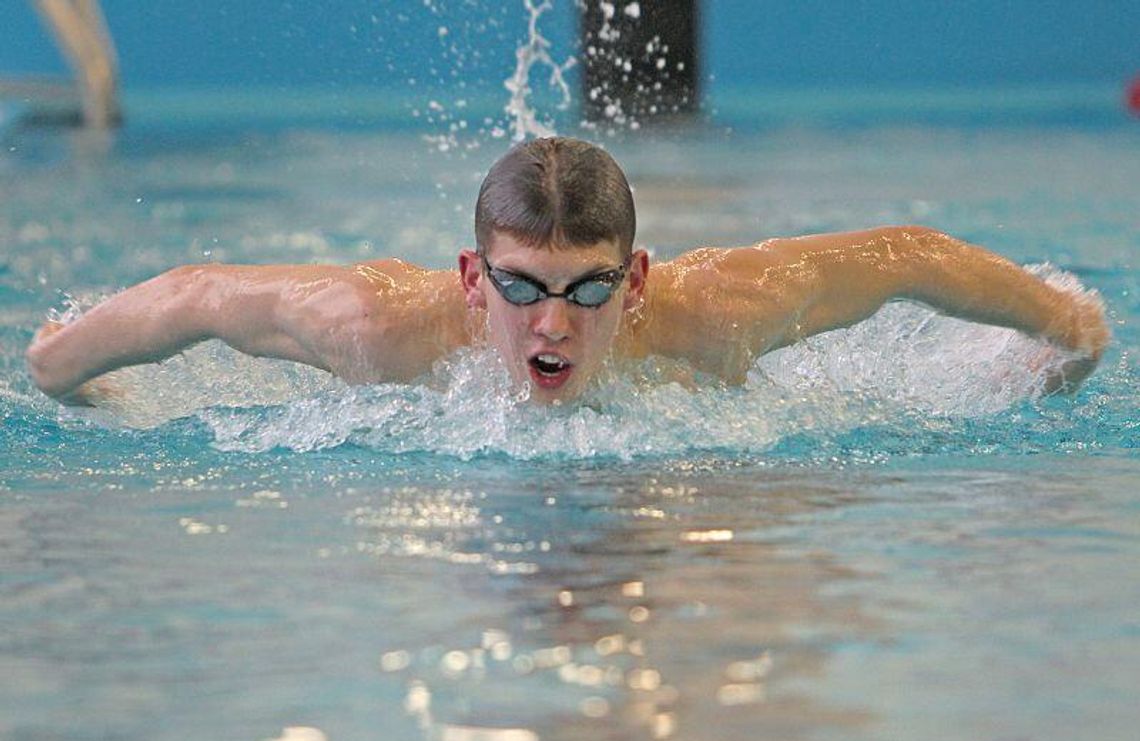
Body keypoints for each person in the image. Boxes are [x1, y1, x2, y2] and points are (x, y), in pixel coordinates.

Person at [26, 136, 1109, 407]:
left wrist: (1067, 320)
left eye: (588, 290)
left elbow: (907, 255)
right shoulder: (375, 329)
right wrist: (58, 371)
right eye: (522, 288)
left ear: (635, 281)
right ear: (470, 278)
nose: (553, 326)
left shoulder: (715, 315)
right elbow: (201, 293)